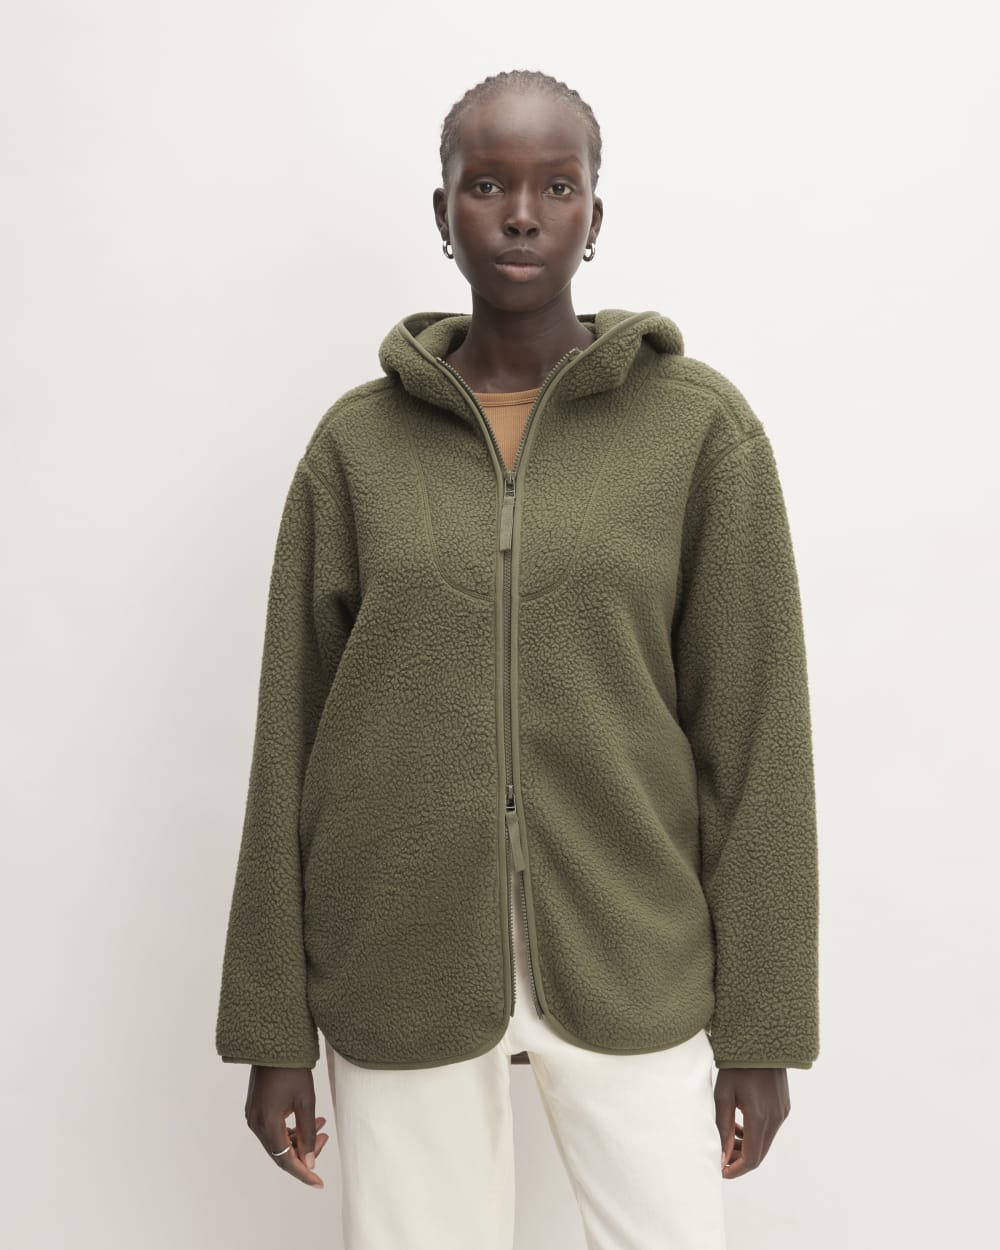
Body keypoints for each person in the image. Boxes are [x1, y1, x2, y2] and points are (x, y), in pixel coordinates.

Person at [215, 69, 820, 1250]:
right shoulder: (355, 449)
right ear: (441, 213)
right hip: (397, 948)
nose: (523, 214)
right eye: (486, 185)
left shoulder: (698, 431)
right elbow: (287, 738)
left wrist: (764, 1025)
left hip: (633, 942)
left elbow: (758, 740)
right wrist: (269, 1023)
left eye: (557, 185)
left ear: (597, 212)